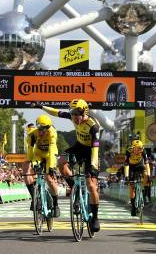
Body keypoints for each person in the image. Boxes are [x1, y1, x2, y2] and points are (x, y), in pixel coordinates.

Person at [40, 99, 101, 232]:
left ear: (84, 112)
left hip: (91, 150)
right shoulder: (73, 116)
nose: (74, 118)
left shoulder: (93, 126)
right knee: (60, 163)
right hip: (78, 147)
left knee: (91, 185)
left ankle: (95, 217)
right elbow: (56, 112)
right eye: (72, 114)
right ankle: (74, 188)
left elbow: (95, 149)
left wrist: (92, 166)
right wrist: (41, 106)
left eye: (76, 115)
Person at [25, 115, 60, 217]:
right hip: (38, 154)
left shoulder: (52, 133)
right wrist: (33, 162)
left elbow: (52, 150)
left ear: (48, 128)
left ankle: (55, 205)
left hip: (50, 155)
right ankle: (35, 197)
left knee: (49, 179)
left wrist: (52, 167)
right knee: (33, 171)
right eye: (39, 128)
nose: (41, 131)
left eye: (43, 129)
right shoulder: (32, 135)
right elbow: (30, 152)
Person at [123, 138, 150, 216]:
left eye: (140, 149)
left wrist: (148, 176)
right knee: (131, 186)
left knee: (146, 175)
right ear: (133, 148)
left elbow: (147, 164)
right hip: (131, 167)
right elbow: (126, 165)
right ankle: (133, 207)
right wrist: (126, 176)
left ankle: (145, 195)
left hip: (140, 164)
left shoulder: (144, 151)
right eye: (137, 149)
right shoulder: (128, 151)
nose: (139, 150)